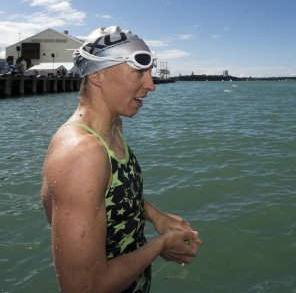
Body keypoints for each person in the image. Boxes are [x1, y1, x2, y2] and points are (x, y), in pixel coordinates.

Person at [41, 26, 202, 292]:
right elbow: (83, 288)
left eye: (150, 73)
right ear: (99, 76)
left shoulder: (112, 126)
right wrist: (160, 245)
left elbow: (111, 193)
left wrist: (155, 215)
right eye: (139, 71)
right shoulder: (82, 153)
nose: (151, 85)